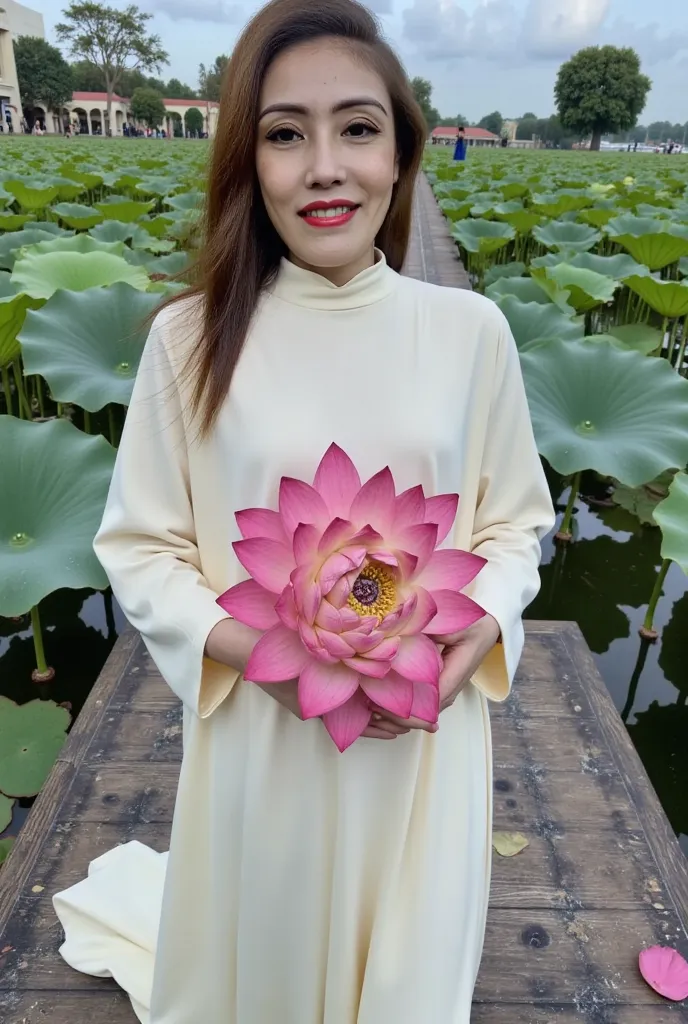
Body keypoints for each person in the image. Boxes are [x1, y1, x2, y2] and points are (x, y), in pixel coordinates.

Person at [51, 1, 555, 1021]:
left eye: (358, 128)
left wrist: (477, 633)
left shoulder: (470, 331)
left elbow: (514, 525)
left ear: (403, 153)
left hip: (422, 739)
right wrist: (259, 660)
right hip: (267, 743)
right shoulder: (190, 339)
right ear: (248, 159)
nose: (326, 166)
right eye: (286, 133)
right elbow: (143, 547)